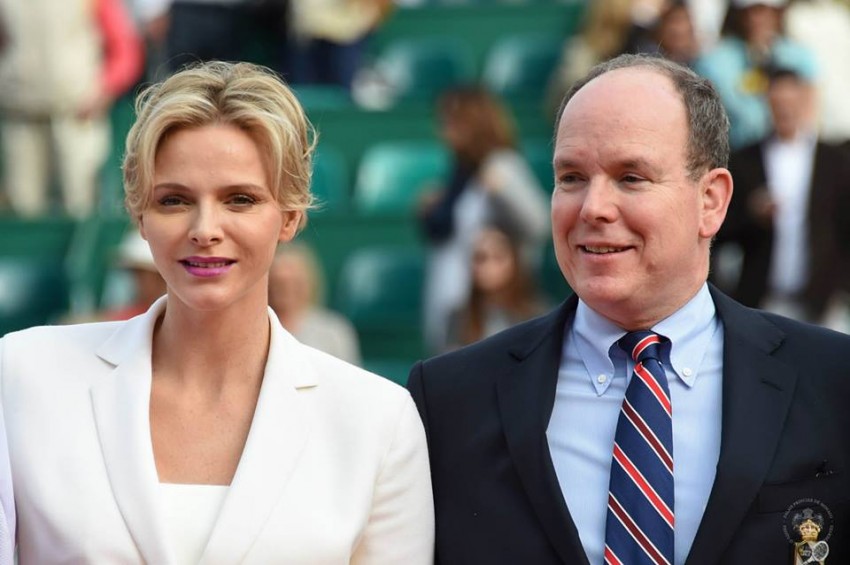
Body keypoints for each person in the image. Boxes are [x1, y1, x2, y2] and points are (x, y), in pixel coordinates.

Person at [408, 53, 850, 564]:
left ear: (711, 200)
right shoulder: (449, 402)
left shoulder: (834, 381)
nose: (593, 207)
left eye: (631, 177)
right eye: (572, 177)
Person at [0, 61, 433, 563]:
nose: (205, 229)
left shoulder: (378, 421)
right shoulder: (23, 375)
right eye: (174, 200)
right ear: (140, 215)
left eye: (240, 199)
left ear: (290, 216)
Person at [713, 67, 850, 331]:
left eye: (791, 103)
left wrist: (839, 286)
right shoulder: (746, 161)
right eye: (778, 104)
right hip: (763, 298)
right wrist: (752, 214)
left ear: (805, 102)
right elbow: (721, 229)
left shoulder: (834, 162)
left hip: (822, 301)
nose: (785, 111)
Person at [418, 86, 549, 353]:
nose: (444, 132)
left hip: (495, 313)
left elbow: (539, 225)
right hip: (460, 312)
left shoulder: (501, 166)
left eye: (453, 123)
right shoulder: (460, 173)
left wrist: (503, 189)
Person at [0, 0, 144, 218]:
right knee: (22, 208)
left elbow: (124, 48)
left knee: (81, 203)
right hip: (20, 117)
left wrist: (105, 89)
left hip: (77, 117)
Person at [693, 0, 816, 149]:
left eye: (764, 10)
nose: (757, 18)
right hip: (737, 152)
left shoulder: (798, 56)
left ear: (778, 13)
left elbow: (809, 112)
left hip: (787, 150)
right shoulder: (715, 61)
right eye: (751, 11)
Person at [445, 225, 547, 351]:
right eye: (480, 258)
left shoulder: (536, 317)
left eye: (497, 257)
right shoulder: (459, 317)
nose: (489, 266)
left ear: (514, 262)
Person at [269, 243, 362, 365]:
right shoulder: (256, 330)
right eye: (278, 283)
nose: (286, 291)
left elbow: (349, 374)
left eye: (295, 283)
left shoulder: (334, 331)